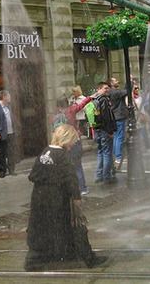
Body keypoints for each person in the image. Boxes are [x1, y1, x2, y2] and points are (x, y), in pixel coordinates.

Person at [24, 124, 107, 271]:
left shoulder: (45, 151)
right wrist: (77, 203)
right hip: (57, 199)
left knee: (41, 228)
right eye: (73, 140)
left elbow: (34, 175)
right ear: (66, 139)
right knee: (74, 227)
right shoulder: (63, 156)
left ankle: (38, 258)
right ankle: (87, 258)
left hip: (39, 198)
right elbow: (71, 180)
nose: (75, 143)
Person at [53, 89, 100, 196]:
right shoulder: (71, 110)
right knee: (78, 166)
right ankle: (82, 188)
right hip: (75, 141)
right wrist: (91, 97)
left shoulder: (57, 116)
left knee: (66, 167)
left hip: (64, 144)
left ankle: (69, 188)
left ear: (58, 106)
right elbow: (82, 104)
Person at [92, 81, 116, 183]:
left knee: (100, 153)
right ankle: (107, 176)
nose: (107, 90)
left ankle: (99, 175)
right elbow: (107, 117)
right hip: (105, 130)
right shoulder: (104, 101)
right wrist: (110, 131)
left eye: (108, 88)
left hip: (97, 130)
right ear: (99, 89)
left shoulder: (94, 100)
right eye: (105, 88)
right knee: (107, 153)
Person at [108, 78, 128, 171]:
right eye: (115, 80)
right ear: (111, 83)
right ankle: (118, 156)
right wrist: (130, 81)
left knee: (117, 136)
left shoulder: (111, 92)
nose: (117, 81)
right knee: (119, 136)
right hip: (119, 116)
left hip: (116, 116)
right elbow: (126, 91)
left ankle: (117, 156)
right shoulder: (115, 92)